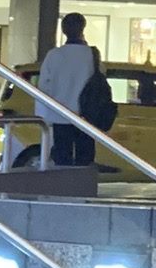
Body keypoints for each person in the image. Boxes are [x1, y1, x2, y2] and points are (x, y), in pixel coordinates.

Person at [9, 12, 94, 170]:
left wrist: (44, 116)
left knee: (62, 160)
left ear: (63, 30)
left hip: (59, 115)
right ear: (83, 28)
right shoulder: (92, 55)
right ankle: (82, 189)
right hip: (86, 118)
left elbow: (43, 89)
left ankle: (63, 191)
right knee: (85, 161)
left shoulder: (54, 55)